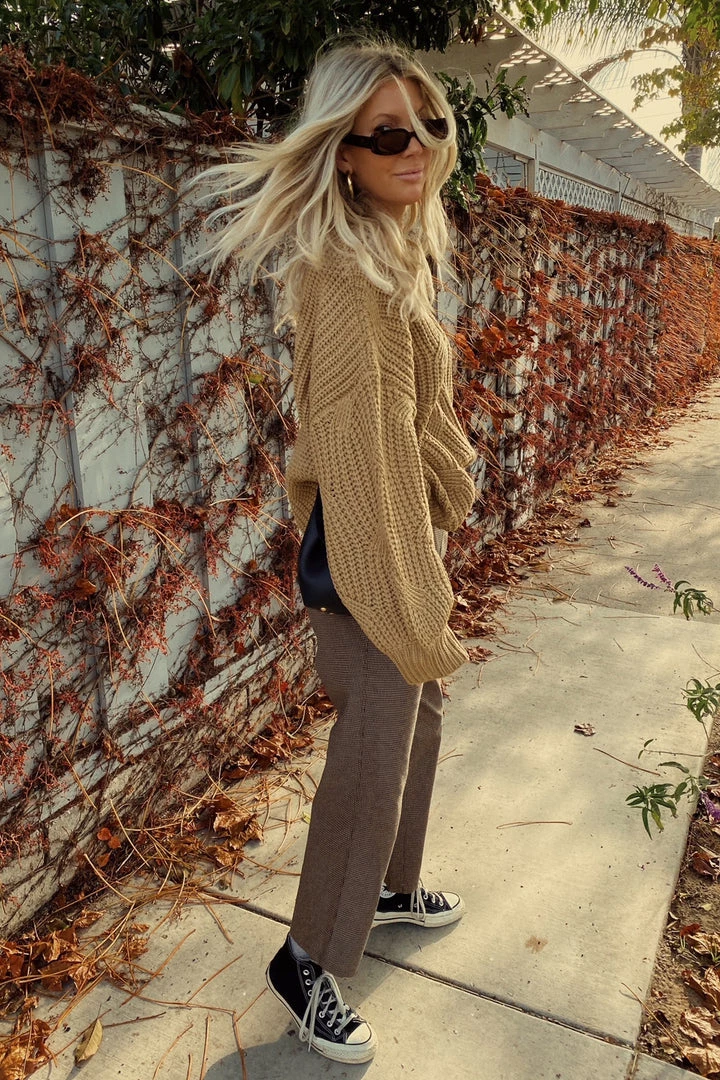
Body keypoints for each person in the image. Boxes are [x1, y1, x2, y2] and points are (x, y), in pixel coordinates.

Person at [192, 38, 477, 1065]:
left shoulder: (391, 250)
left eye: (427, 125)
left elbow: (414, 418)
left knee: (419, 721)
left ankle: (390, 889)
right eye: (387, 134)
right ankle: (308, 956)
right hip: (368, 550)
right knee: (371, 752)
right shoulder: (352, 276)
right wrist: (399, 589)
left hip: (400, 534)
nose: (417, 148)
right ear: (343, 153)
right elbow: (359, 453)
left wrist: (446, 483)